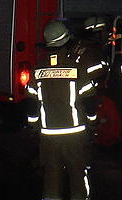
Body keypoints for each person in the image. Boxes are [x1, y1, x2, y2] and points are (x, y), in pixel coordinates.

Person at [26, 19, 96, 200]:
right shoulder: (77, 69)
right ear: (67, 42)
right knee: (78, 180)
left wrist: (34, 128)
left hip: (48, 137)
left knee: (51, 181)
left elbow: (32, 106)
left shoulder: (37, 70)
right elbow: (89, 102)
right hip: (75, 137)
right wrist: (93, 123)